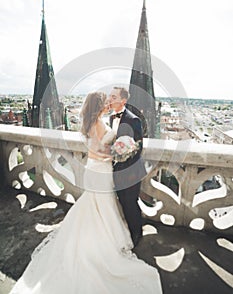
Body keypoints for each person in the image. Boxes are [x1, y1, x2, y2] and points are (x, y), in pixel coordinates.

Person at [9, 91, 163, 294]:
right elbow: (99, 151)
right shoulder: (99, 123)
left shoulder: (93, 122)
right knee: (101, 203)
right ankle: (103, 238)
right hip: (101, 169)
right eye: (106, 101)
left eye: (112, 99)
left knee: (97, 204)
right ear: (99, 106)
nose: (109, 102)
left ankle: (102, 233)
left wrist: (122, 150)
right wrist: (118, 152)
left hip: (97, 169)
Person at [109, 87, 146, 247]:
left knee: (131, 203)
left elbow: (138, 147)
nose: (110, 99)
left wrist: (125, 160)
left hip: (131, 171)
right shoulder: (111, 118)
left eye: (113, 97)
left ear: (123, 101)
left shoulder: (133, 119)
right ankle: (130, 230)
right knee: (123, 202)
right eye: (110, 96)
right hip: (117, 170)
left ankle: (137, 233)